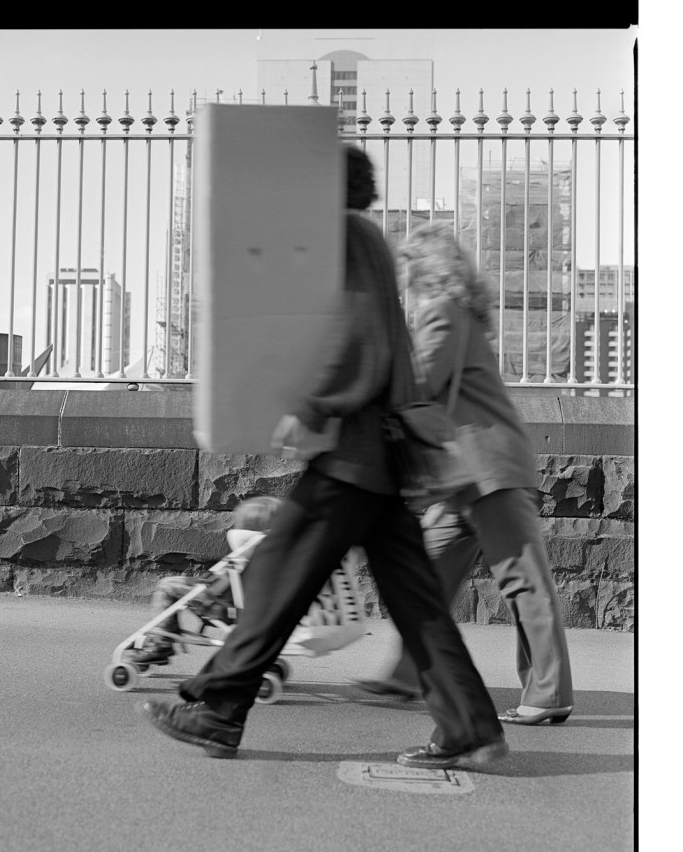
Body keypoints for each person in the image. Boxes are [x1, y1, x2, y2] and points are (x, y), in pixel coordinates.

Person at [139, 145, 508, 769]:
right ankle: (471, 729)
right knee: (417, 605)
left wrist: (315, 407)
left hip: (353, 456)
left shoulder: (344, 235)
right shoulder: (364, 237)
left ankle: (217, 709)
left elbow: (360, 336)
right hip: (382, 460)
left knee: (278, 576)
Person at [354, 221, 574, 726]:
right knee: (426, 580)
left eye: (408, 268)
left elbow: (420, 381)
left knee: (524, 582)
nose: (403, 281)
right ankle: (407, 675)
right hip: (463, 476)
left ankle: (548, 694)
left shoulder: (442, 313)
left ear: (425, 269)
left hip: (488, 470)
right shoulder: (455, 314)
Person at [133, 495, 284, 667]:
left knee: (167, 585)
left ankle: (161, 643)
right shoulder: (276, 559)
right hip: (251, 611)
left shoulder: (249, 550)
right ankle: (164, 635)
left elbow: (224, 576)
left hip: (223, 606)